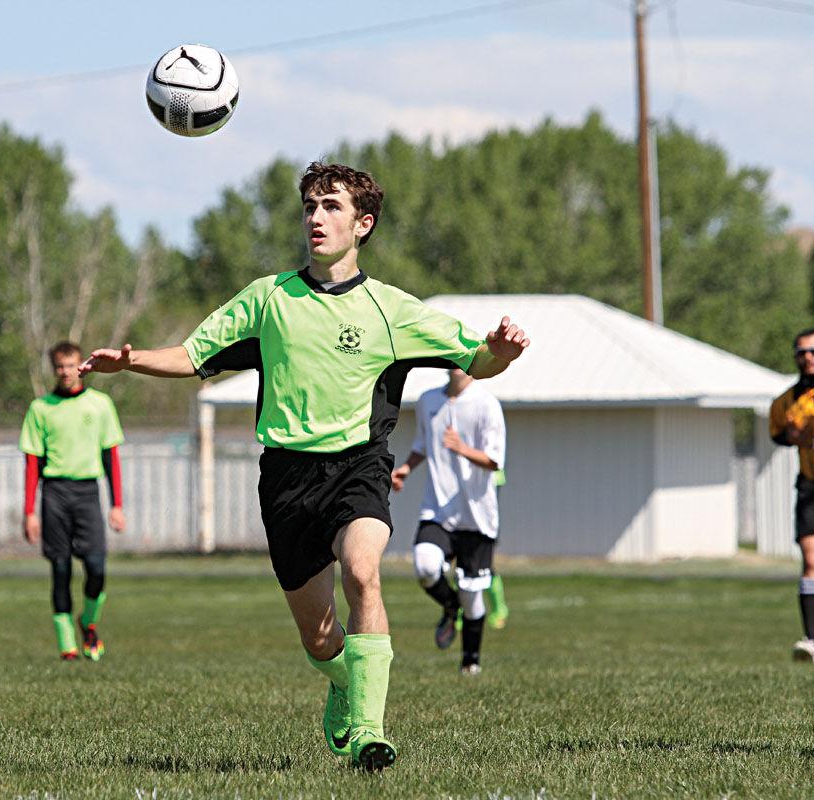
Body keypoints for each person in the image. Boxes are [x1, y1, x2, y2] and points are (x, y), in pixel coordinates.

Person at [80, 162, 529, 770]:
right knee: (320, 640)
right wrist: (130, 363)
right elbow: (194, 355)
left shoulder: (391, 309)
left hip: (358, 466)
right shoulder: (268, 299)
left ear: (362, 223)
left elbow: (477, 360)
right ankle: (343, 680)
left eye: (332, 206)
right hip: (287, 479)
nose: (316, 218)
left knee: (363, 572)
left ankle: (370, 730)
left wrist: (498, 352)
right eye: (310, 206)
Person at [390, 368, 505, 675]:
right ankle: (448, 606)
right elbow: (422, 445)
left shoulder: (486, 404)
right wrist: (405, 469)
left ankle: (470, 661)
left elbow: (495, 460)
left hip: (476, 516)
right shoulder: (428, 401)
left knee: (472, 594)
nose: (458, 363)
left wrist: (461, 448)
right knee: (425, 565)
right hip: (438, 511)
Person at [20, 341, 126, 661]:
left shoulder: (100, 405)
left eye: (71, 365)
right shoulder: (40, 408)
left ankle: (88, 621)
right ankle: (67, 644)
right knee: (61, 568)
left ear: (82, 367)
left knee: (96, 567)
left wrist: (117, 504)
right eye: (60, 366)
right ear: (54, 369)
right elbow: (32, 464)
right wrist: (29, 512)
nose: (66, 372)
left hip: (87, 493)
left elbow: (112, 458)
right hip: (54, 494)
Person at [769, 327, 814, 666]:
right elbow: (778, 433)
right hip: (813, 487)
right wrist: (793, 435)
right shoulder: (786, 401)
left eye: (813, 351)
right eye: (801, 352)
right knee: (812, 560)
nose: (807, 358)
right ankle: (811, 642)